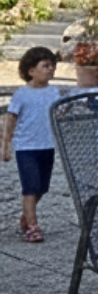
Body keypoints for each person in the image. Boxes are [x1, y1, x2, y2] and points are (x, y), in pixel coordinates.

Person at [2, 47, 61, 243]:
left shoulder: (54, 92)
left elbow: (58, 114)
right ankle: (33, 225)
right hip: (26, 148)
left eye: (52, 65)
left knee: (42, 187)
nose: (50, 69)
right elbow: (11, 119)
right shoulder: (22, 94)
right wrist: (5, 145)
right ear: (31, 71)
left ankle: (27, 215)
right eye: (45, 66)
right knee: (31, 186)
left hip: (47, 146)